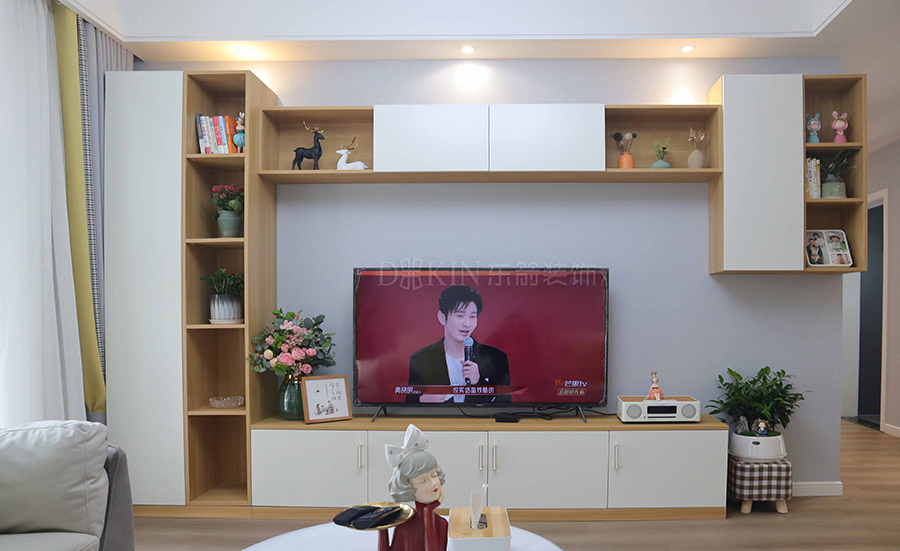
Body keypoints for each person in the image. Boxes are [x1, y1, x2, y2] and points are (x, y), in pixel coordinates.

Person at [407, 285, 510, 404]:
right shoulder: (421, 358)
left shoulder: (496, 358)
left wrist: (479, 382)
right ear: (442, 318)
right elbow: (408, 401)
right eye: (460, 316)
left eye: (472, 316)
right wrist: (422, 399)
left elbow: (505, 403)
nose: (467, 324)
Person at [379, 425, 448, 551]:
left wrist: (428, 512)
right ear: (407, 487)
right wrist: (381, 527)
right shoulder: (404, 521)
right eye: (422, 481)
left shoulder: (441, 524)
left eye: (434, 475)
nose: (433, 483)